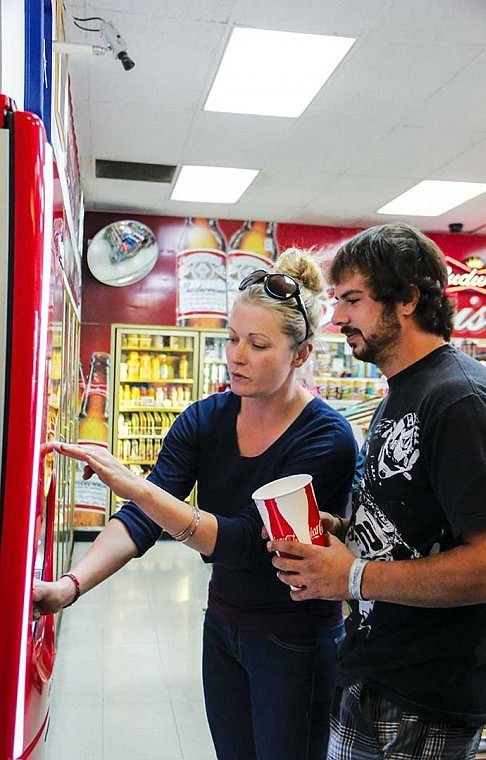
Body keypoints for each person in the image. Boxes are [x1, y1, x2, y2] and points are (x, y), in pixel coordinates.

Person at [33, 248, 358, 760]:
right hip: (224, 627)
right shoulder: (205, 419)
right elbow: (141, 519)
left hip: (295, 642)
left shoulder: (327, 438)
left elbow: (246, 541)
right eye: (231, 339)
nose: (236, 356)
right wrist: (70, 587)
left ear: (301, 354)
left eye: (257, 344)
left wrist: (136, 485)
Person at [268, 224, 486, 760]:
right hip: (374, 668)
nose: (337, 318)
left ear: (407, 299)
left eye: (352, 300)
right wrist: (349, 534)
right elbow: (415, 525)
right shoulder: (402, 392)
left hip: (426, 695)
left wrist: (352, 575)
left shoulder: (459, 399)